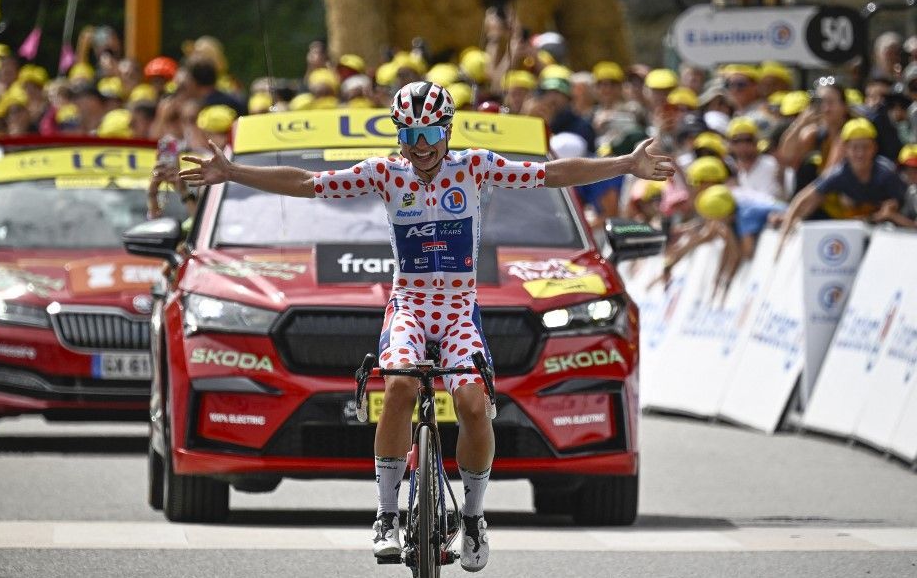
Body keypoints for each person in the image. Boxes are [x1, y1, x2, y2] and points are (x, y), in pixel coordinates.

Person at [179, 80, 673, 573]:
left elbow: (553, 174)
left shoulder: (476, 167)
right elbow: (308, 184)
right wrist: (232, 172)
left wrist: (626, 164)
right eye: (410, 134)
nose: (420, 147)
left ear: (447, 131)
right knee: (397, 390)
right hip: (410, 308)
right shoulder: (385, 174)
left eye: (431, 134)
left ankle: (475, 519)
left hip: (459, 311)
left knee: (473, 405)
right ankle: (387, 516)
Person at [779, 118, 914, 252]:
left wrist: (890, 215)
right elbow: (805, 200)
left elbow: (907, 209)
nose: (860, 153)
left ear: (874, 148)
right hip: (862, 232)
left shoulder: (886, 173)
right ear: (845, 149)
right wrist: (784, 233)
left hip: (898, 236)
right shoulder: (839, 174)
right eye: (855, 147)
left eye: (865, 147)